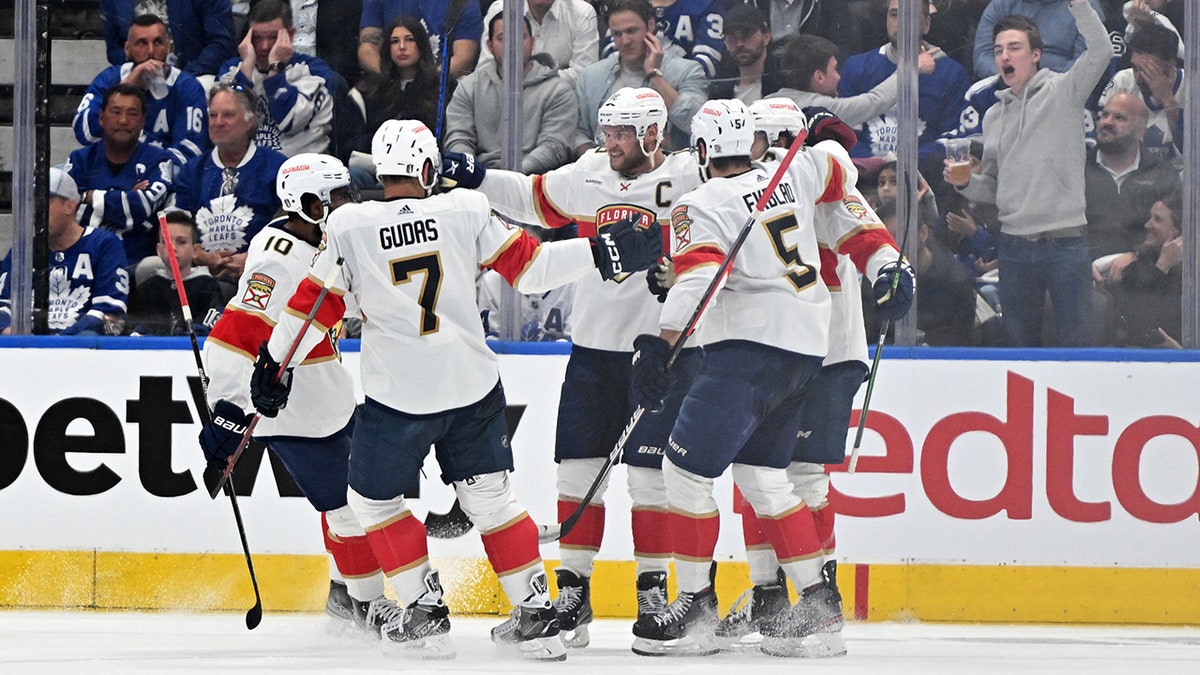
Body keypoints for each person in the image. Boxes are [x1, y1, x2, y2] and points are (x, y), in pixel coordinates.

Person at [249, 119, 663, 660]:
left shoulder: (348, 224)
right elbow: (534, 269)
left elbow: (312, 307)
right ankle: (537, 615)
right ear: (427, 168)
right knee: (492, 499)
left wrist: (274, 365)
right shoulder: (464, 208)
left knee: (372, 501)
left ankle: (423, 606)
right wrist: (605, 252)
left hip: (399, 396)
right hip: (473, 386)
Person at [627, 99, 910, 657]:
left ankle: (695, 605)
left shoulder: (700, 201)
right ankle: (818, 601)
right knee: (762, 474)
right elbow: (840, 167)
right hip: (805, 352)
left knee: (681, 470)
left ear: (705, 150)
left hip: (745, 352)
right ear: (753, 145)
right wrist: (819, 142)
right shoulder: (797, 171)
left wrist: (662, 346)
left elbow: (698, 281)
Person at [441, 87, 703, 650]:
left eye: (623, 133)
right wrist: (475, 176)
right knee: (576, 472)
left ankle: (653, 589)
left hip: (660, 353)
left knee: (649, 479)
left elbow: (723, 234)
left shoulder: (689, 177)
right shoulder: (589, 174)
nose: (611, 142)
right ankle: (574, 591)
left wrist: (678, 270)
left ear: (654, 133)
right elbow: (532, 197)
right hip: (590, 349)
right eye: (607, 131)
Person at [196, 153, 393, 638]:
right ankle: (366, 605)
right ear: (306, 204)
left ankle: (344, 590)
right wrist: (228, 410)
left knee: (352, 501)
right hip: (296, 412)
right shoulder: (278, 258)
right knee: (347, 506)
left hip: (326, 399)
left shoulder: (317, 239)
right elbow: (236, 334)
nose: (348, 203)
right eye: (338, 196)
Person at [946, 0, 1110, 347]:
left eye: (1015, 48)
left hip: (1065, 244)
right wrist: (966, 183)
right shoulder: (993, 116)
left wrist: (1079, 5)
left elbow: (1101, 50)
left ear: (1036, 54)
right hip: (1015, 247)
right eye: (999, 50)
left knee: (1076, 344)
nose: (1005, 56)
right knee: (1019, 347)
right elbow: (992, 186)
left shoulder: (1066, 91)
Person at [171, 83, 288, 283]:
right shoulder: (192, 170)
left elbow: (291, 233)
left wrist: (253, 257)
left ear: (249, 121)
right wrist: (200, 256)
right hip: (200, 272)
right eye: (213, 115)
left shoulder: (278, 168)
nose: (218, 122)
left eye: (228, 115)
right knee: (149, 268)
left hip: (261, 272)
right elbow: (174, 230)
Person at [837, 0, 970, 169]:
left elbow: (951, 137)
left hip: (925, 179)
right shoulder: (856, 67)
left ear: (926, 24)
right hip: (864, 179)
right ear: (886, 20)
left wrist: (906, 165)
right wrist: (876, 166)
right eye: (894, 14)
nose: (901, 22)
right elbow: (845, 131)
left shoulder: (952, 73)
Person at [444, 11, 578, 173]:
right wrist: (471, 172)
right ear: (490, 45)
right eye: (502, 38)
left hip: (533, 183)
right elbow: (458, 138)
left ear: (532, 42)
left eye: (520, 37)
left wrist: (512, 179)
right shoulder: (469, 87)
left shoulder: (558, 91)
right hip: (480, 180)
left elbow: (554, 146)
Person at [0, 168, 129, 336]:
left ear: (69, 206)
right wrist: (12, 333)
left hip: (81, 352)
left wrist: (61, 341)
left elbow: (109, 310)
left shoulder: (104, 245)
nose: (35, 210)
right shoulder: (22, 251)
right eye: (32, 202)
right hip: (28, 350)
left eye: (43, 202)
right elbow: (3, 304)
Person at [572, 0, 708, 155]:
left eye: (631, 31)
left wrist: (654, 75)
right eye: (617, 34)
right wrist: (597, 160)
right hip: (604, 164)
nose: (625, 41)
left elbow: (696, 123)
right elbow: (577, 133)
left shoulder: (687, 70)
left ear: (651, 26)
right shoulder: (591, 76)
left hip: (663, 167)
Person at [74, 13, 209, 168]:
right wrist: (124, 87)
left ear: (168, 47)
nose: (151, 51)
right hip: (109, 171)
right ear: (127, 49)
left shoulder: (187, 87)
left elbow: (190, 150)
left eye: (158, 42)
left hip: (161, 177)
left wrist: (146, 169)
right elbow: (85, 134)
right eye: (141, 43)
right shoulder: (109, 79)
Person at [68, 83, 175, 269]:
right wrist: (126, 199)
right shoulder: (80, 160)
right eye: (116, 112)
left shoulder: (159, 160)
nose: (123, 120)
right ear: (101, 117)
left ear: (143, 121)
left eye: (132, 113)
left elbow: (141, 207)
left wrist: (88, 197)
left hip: (137, 265)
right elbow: (64, 211)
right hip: (84, 263)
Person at [214, 0, 339, 156]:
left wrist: (275, 69)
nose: (265, 46)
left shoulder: (314, 70)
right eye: (257, 37)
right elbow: (227, 119)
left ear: (291, 34)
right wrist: (246, 67)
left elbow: (290, 121)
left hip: (300, 170)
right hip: (249, 171)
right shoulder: (232, 69)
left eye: (273, 37)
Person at [1085, 92, 1180, 259]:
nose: (1107, 122)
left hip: (1143, 275)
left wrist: (1137, 256)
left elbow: (1175, 234)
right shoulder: (1076, 171)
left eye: (1119, 118)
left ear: (1140, 132)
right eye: (1104, 115)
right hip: (1083, 274)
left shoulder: (1163, 175)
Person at [774, 33, 937, 129]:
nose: (839, 76)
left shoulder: (765, 103)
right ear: (819, 76)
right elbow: (874, 101)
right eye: (835, 69)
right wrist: (911, 69)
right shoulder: (819, 110)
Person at [1094, 191, 1182, 348]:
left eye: (1158, 220)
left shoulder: (1192, 274)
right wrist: (1162, 267)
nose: (1147, 224)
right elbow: (1139, 325)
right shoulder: (1136, 266)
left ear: (1178, 231)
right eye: (1150, 217)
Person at [356, 14, 452, 150]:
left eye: (410, 40)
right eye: (395, 41)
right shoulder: (376, 90)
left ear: (421, 44)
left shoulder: (443, 85)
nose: (402, 47)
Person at [125, 211, 226, 336]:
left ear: (195, 251)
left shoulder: (207, 286)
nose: (172, 248)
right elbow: (136, 325)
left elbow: (211, 323)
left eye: (181, 242)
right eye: (166, 241)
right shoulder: (148, 288)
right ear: (158, 249)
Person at [1098, 22, 1184, 161]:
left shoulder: (1192, 86)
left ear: (1171, 67)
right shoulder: (1123, 81)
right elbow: (1102, 141)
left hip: (1180, 175)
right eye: (1135, 67)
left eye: (1148, 71)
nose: (1138, 78)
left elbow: (1193, 151)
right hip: (1129, 171)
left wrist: (1168, 100)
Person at [99, 0, 236, 77]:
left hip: (196, 76)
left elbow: (221, 42)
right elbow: (114, 48)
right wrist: (140, 68)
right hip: (136, 75)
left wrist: (184, 76)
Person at [973, 0, 1107, 78]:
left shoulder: (1084, 7)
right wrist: (1011, 78)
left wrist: (1043, 84)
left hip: (1062, 92)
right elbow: (982, 56)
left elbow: (1087, 61)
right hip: (1005, 89)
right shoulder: (1001, 4)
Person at [477, 0, 600, 84]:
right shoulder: (501, 9)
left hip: (560, 102)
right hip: (503, 99)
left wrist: (533, 83)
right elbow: (485, 71)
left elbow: (584, 76)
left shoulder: (582, 13)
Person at [599, 0, 726, 79]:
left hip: (682, 92)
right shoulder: (627, 6)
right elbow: (611, 58)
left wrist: (659, 78)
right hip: (629, 87)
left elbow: (707, 64)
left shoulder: (706, 4)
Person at [357, 0, 484, 79]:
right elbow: (367, 48)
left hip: (440, 89)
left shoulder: (463, 2)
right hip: (391, 85)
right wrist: (393, 77)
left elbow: (464, 59)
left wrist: (422, 82)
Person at [707, 2, 782, 103]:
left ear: (766, 37)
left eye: (747, 35)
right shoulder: (719, 93)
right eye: (732, 36)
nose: (739, 43)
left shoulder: (784, 82)